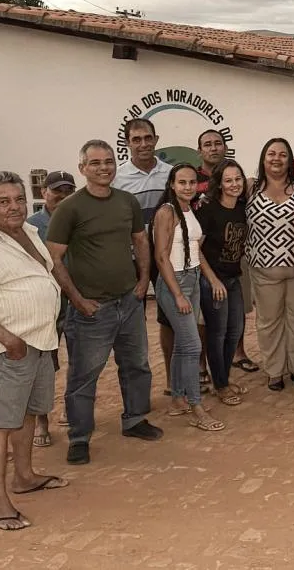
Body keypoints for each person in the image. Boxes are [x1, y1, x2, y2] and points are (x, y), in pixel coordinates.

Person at [0, 171, 68, 530]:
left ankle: (24, 477)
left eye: (19, 199)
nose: (14, 207)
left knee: (27, 414)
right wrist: (9, 340)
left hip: (40, 343)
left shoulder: (32, 233)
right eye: (3, 201)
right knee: (0, 425)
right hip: (12, 350)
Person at [47, 140, 162, 466]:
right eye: (95, 163)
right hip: (91, 310)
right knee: (84, 376)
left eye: (109, 161)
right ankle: (80, 437)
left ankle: (135, 419)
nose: (103, 168)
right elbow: (54, 258)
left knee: (137, 365)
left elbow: (140, 241)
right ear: (83, 168)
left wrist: (143, 281)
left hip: (128, 302)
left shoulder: (126, 201)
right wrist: (78, 299)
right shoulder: (70, 207)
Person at [151, 163, 224, 432]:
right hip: (176, 282)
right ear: (172, 184)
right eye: (182, 182)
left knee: (184, 345)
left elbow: (195, 250)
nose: (188, 187)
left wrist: (212, 278)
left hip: (191, 278)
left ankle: (178, 399)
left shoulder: (189, 210)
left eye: (192, 182)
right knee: (193, 346)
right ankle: (196, 407)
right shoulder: (166, 212)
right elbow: (161, 256)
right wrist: (177, 294)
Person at [113, 118, 175, 395]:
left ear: (156, 139)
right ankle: (136, 392)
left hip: (166, 257)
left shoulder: (170, 174)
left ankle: (173, 380)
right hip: (130, 260)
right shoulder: (117, 178)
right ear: (127, 143)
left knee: (170, 319)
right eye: (136, 139)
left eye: (148, 138)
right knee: (131, 326)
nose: (143, 144)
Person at [246, 138, 294, 392]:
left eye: (283, 154)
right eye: (271, 154)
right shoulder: (250, 187)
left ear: (290, 159)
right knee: (268, 321)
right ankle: (274, 371)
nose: (276, 159)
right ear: (263, 158)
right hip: (262, 269)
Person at [26, 170, 75, 448]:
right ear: (44, 192)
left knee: (79, 360)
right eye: (57, 190)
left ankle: (72, 407)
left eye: (68, 191)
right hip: (45, 307)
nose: (62, 196)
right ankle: (42, 421)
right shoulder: (30, 226)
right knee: (44, 365)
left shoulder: (79, 218)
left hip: (77, 300)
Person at [196, 159, 249, 407]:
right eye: (228, 180)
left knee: (234, 330)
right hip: (213, 281)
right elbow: (196, 248)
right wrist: (212, 279)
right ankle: (220, 385)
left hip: (233, 277)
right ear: (219, 184)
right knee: (217, 335)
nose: (234, 184)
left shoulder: (241, 207)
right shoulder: (208, 210)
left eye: (237, 179)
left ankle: (224, 378)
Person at [196, 130, 228, 196]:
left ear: (226, 149)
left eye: (218, 143)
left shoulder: (236, 177)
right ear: (199, 151)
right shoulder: (191, 178)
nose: (213, 148)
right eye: (207, 145)